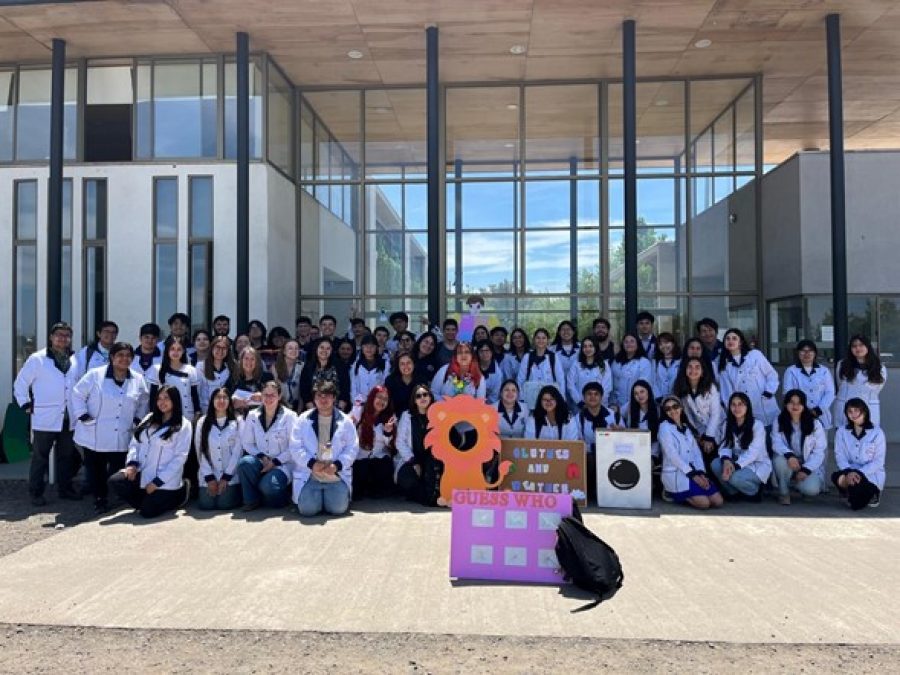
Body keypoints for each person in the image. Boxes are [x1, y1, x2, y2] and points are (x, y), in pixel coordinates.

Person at [72, 342, 149, 513]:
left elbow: (143, 400)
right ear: (112, 358)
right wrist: (82, 415)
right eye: (120, 355)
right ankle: (100, 499)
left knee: (118, 468)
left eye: (128, 356)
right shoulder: (94, 375)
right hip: (95, 432)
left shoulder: (137, 379)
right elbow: (77, 394)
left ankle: (118, 498)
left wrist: (138, 419)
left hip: (122, 432)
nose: (124, 359)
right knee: (96, 470)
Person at [14, 322, 80, 506]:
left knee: (66, 456)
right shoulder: (38, 359)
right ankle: (36, 492)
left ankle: (65, 489)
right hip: (45, 416)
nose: (63, 338)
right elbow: (21, 383)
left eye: (67, 335)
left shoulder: (74, 359)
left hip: (68, 416)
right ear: (51, 337)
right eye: (59, 335)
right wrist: (25, 403)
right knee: (40, 456)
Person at [108, 385, 192, 518]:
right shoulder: (150, 417)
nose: (162, 402)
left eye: (166, 398)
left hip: (164, 479)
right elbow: (135, 442)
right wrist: (132, 464)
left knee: (148, 512)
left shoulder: (183, 425)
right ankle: (146, 500)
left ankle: (179, 494)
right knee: (115, 481)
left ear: (175, 400)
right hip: (143, 471)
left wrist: (157, 482)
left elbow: (179, 458)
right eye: (159, 398)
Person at [290, 380, 359, 516]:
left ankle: (328, 497)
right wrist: (311, 463)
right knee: (307, 511)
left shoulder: (345, 421)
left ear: (334, 398)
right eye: (319, 396)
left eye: (327, 395)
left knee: (337, 509)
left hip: (335, 475)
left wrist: (337, 466)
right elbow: (295, 446)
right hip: (310, 475)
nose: (323, 399)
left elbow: (352, 448)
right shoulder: (303, 420)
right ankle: (318, 498)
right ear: (314, 399)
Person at [237, 380, 297, 510]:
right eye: (266, 395)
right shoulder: (253, 415)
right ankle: (251, 500)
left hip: (283, 464)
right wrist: (262, 457)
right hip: (262, 461)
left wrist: (275, 462)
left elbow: (294, 447)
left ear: (279, 396)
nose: (269, 398)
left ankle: (281, 496)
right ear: (261, 396)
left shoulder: (290, 416)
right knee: (244, 463)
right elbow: (247, 443)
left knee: (269, 486)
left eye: (272, 395)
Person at [657, 396, 723, 509]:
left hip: (694, 471)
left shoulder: (686, 428)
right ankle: (674, 494)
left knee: (718, 501)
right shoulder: (664, 428)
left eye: (675, 406)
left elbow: (696, 454)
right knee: (704, 504)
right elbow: (672, 455)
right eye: (668, 409)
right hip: (678, 473)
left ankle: (692, 492)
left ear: (681, 408)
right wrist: (693, 475)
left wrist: (701, 473)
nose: (672, 411)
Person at [711, 393, 772, 501]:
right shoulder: (727, 423)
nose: (737, 408)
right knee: (715, 464)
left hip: (755, 464)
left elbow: (754, 453)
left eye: (741, 404)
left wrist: (734, 466)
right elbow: (725, 445)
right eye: (733, 405)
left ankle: (753, 492)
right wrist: (726, 460)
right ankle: (733, 493)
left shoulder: (757, 425)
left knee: (734, 477)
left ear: (747, 407)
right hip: (735, 461)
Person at [771, 389, 827, 505]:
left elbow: (819, 451)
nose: (795, 406)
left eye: (799, 403)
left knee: (811, 490)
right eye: (791, 402)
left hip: (808, 463)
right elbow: (776, 442)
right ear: (786, 404)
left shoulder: (815, 423)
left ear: (804, 405)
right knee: (779, 460)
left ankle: (801, 486)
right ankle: (784, 492)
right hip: (788, 462)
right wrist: (790, 455)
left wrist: (806, 469)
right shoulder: (779, 420)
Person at [716, 328, 779, 429]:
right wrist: (735, 412)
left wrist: (769, 391)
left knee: (771, 436)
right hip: (743, 412)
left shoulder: (755, 355)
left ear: (740, 342)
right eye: (727, 339)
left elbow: (771, 374)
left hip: (765, 406)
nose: (730, 341)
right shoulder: (724, 365)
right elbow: (727, 393)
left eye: (734, 338)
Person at [195, 387, 243, 511]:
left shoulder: (238, 421)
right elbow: (200, 451)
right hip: (209, 473)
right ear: (212, 401)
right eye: (217, 397)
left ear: (229, 401)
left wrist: (226, 477)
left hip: (230, 474)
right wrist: (210, 478)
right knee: (207, 505)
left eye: (225, 397)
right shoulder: (202, 422)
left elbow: (238, 452)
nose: (221, 400)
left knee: (224, 504)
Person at [833, 398, 885, 510]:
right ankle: (848, 490)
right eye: (849, 411)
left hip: (870, 474)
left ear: (864, 411)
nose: (853, 414)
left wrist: (858, 472)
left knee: (856, 504)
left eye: (856, 410)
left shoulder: (877, 432)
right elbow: (840, 455)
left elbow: (878, 461)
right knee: (837, 477)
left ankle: (874, 493)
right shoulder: (841, 431)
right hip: (850, 472)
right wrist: (848, 471)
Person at [396, 384, 442, 506]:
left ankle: (431, 498)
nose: (422, 398)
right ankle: (425, 498)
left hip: (432, 460)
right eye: (418, 396)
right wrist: (414, 462)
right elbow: (400, 442)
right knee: (407, 479)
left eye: (425, 394)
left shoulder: (438, 415)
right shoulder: (407, 416)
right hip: (412, 459)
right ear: (414, 400)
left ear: (430, 397)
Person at [673, 356, 723, 465]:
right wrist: (699, 435)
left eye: (697, 367)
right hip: (700, 432)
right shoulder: (682, 390)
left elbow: (715, 414)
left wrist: (709, 437)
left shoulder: (711, 387)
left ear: (702, 372)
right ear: (685, 371)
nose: (693, 370)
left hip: (717, 429)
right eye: (689, 367)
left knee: (712, 456)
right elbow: (689, 416)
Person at [576, 382, 621, 503]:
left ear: (601, 397)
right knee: (589, 459)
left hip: (610, 454)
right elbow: (578, 441)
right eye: (589, 394)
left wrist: (617, 431)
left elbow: (624, 437)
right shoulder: (578, 418)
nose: (592, 397)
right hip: (589, 454)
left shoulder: (613, 415)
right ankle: (590, 491)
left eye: (596, 394)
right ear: (584, 397)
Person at [350, 385, 397, 499]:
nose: (382, 401)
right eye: (379, 397)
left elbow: (390, 445)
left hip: (378, 456)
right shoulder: (360, 411)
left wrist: (388, 432)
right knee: (361, 471)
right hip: (361, 457)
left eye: (385, 399)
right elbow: (347, 428)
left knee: (384, 467)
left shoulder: (390, 417)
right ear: (372, 397)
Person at [834, 334, 887, 427]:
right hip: (846, 407)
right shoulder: (842, 365)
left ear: (867, 347)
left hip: (868, 406)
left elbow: (877, 388)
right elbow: (840, 384)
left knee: (868, 437)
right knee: (844, 437)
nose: (858, 348)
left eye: (861, 345)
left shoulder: (879, 367)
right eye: (854, 346)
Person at [783, 340, 835, 429]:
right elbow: (788, 393)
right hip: (798, 414)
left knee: (821, 441)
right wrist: (802, 410)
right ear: (798, 353)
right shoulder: (791, 371)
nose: (806, 353)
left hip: (820, 414)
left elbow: (830, 392)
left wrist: (819, 409)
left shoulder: (824, 371)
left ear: (815, 353)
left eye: (810, 350)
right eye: (803, 350)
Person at [148, 337, 202, 421]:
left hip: (186, 414)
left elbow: (194, 395)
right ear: (167, 351)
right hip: (164, 415)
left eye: (179, 349)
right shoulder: (157, 369)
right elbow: (153, 396)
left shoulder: (191, 370)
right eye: (172, 349)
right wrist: (153, 415)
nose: (175, 352)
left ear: (183, 351)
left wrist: (197, 413)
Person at [517, 328, 565, 409]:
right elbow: (520, 379)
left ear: (548, 340)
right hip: (530, 397)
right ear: (534, 340)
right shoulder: (527, 357)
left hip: (549, 398)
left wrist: (562, 398)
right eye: (538, 338)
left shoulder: (553, 357)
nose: (541, 340)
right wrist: (521, 399)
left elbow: (560, 379)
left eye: (543, 338)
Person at [298, 338, 351, 411]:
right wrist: (312, 411)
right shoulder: (308, 367)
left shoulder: (340, 366)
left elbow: (345, 389)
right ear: (316, 348)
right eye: (321, 347)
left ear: (332, 350)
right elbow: (304, 390)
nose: (324, 351)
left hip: (336, 409)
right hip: (313, 408)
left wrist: (339, 411)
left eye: (328, 348)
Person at [567, 336, 612, 409]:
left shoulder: (603, 365)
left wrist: (596, 402)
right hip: (581, 406)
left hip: (600, 406)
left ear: (596, 348)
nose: (587, 349)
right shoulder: (576, 365)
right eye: (585, 346)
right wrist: (580, 402)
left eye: (591, 346)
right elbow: (570, 385)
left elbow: (607, 386)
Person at [609, 333, 652, 410]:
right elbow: (612, 385)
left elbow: (643, 387)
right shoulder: (616, 361)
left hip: (636, 404)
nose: (629, 344)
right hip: (616, 405)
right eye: (626, 342)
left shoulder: (644, 362)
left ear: (638, 344)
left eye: (632, 341)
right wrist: (613, 404)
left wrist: (627, 407)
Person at [229, 346, 274, 414]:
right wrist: (233, 402)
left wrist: (262, 396)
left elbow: (276, 396)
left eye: (252, 359)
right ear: (241, 361)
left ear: (257, 362)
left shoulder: (267, 377)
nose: (249, 362)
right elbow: (225, 396)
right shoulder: (234, 378)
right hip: (239, 416)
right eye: (246, 358)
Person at [623, 379, 660, 458]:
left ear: (648, 392)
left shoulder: (658, 409)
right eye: (636, 393)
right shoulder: (629, 407)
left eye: (642, 391)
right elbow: (618, 414)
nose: (639, 395)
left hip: (653, 452)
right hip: (634, 450)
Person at [351, 334, 390, 407]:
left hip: (378, 403)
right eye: (366, 346)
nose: (369, 349)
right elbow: (354, 386)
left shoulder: (384, 364)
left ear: (376, 348)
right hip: (359, 404)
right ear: (362, 348)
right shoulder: (356, 364)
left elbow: (385, 385)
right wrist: (356, 402)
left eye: (372, 346)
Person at [197, 336, 234, 411]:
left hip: (225, 411)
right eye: (217, 347)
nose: (220, 351)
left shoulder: (230, 368)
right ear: (212, 348)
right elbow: (197, 391)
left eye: (224, 348)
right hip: (206, 411)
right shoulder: (201, 366)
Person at [271, 339, 303, 411]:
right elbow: (275, 391)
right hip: (280, 405)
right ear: (284, 351)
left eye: (296, 348)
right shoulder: (275, 367)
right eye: (290, 348)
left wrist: (299, 412)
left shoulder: (302, 367)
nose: (294, 351)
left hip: (298, 406)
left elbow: (303, 392)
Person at [652, 332, 681, 400]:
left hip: (677, 400)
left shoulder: (681, 361)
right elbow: (653, 381)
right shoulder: (655, 362)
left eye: (666, 342)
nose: (664, 346)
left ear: (673, 344)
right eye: (660, 344)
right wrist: (658, 397)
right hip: (659, 401)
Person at [476, 339, 503, 404]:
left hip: (489, 405)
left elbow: (494, 395)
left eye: (487, 350)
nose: (484, 353)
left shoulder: (498, 373)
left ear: (492, 352)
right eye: (481, 351)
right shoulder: (472, 367)